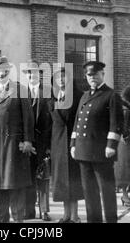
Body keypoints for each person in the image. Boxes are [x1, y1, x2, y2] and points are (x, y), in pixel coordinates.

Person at [0, 56, 35, 223]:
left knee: (15, 183)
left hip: (13, 145)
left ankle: (18, 218)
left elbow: (28, 119)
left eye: (3, 69)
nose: (0, 72)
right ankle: (2, 217)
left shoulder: (20, 90)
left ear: (8, 70)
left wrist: (28, 141)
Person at [70, 61, 123, 223]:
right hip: (83, 151)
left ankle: (111, 220)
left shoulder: (111, 95)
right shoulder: (85, 96)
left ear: (102, 74)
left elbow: (117, 123)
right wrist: (73, 144)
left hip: (102, 152)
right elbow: (77, 122)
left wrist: (111, 146)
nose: (92, 78)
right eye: (89, 75)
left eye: (96, 74)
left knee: (106, 191)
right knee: (89, 192)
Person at [49, 68, 84, 223]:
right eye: (58, 79)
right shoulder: (52, 99)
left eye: (64, 78)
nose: (61, 81)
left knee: (73, 179)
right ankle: (66, 214)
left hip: (72, 144)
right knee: (62, 181)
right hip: (57, 145)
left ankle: (75, 215)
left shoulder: (78, 97)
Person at [23, 61, 52, 221]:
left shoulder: (47, 92)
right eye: (28, 73)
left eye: (34, 72)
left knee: (44, 178)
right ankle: (29, 210)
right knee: (27, 177)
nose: (31, 75)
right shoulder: (21, 93)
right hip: (26, 143)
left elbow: (52, 121)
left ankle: (44, 211)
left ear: (39, 74)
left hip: (43, 143)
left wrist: (48, 146)